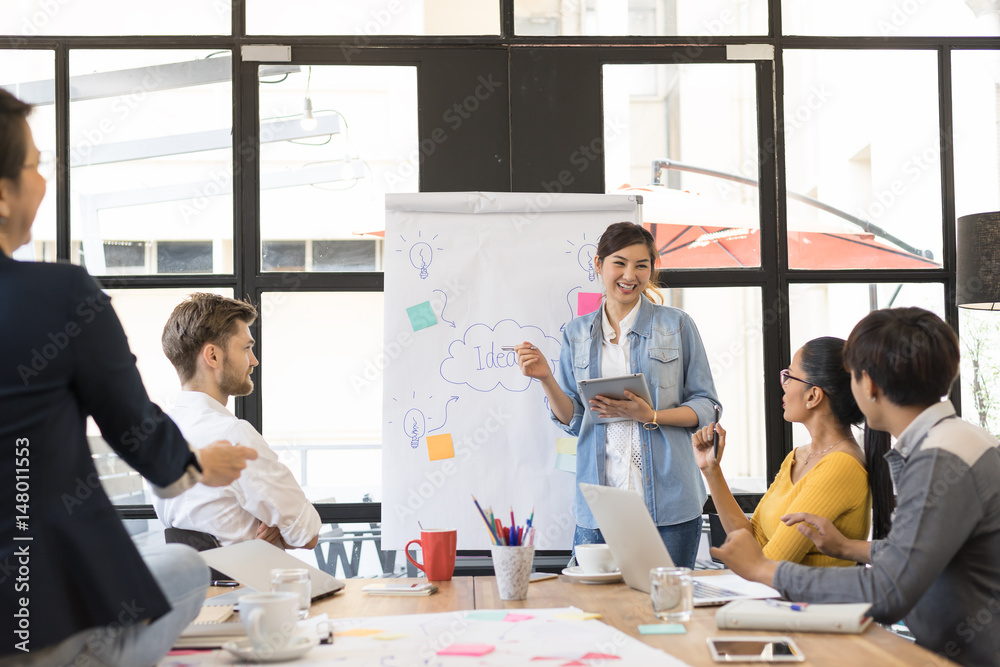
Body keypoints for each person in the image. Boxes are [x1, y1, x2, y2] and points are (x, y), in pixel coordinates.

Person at [0, 89, 258, 665]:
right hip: (33, 611)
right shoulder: (61, 295)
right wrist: (196, 464)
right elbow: (132, 425)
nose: (43, 181)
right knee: (183, 567)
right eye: (34, 166)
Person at [712, 308, 1000, 667]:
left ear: (870, 385)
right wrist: (846, 547)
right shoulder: (955, 440)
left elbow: (888, 591)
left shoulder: (940, 458)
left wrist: (765, 570)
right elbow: (918, 553)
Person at [515, 221, 719, 568]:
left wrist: (651, 416)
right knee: (592, 598)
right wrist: (546, 378)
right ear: (599, 265)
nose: (630, 275)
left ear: (652, 269)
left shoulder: (676, 325)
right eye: (620, 263)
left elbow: (707, 406)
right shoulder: (577, 333)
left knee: (665, 597)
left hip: (671, 499)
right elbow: (574, 420)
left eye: (641, 265)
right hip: (600, 502)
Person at [692, 337, 892, 566]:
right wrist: (711, 470)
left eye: (789, 375)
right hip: (771, 587)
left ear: (813, 396)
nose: (783, 384)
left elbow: (768, 565)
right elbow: (753, 542)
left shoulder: (841, 465)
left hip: (806, 591)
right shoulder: (797, 457)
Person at [156, 293, 321, 549]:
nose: (254, 360)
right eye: (246, 348)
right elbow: (307, 535)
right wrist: (278, 532)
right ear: (213, 356)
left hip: (195, 575)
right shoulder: (233, 434)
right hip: (248, 575)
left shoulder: (161, 434)